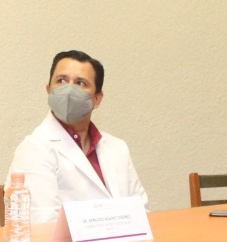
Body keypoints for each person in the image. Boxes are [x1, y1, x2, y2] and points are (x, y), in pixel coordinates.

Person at [8, 50, 147, 223]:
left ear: (97, 99)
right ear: (48, 90)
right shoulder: (33, 149)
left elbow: (142, 213)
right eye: (61, 81)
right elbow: (42, 224)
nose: (69, 90)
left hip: (125, 240)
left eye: (81, 83)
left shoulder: (117, 148)